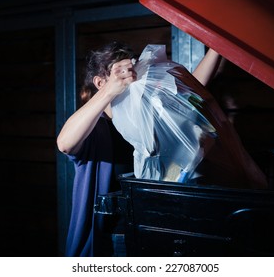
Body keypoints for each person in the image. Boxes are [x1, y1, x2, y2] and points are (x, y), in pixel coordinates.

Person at [56, 41, 220, 256]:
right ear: (99, 82)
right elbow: (65, 144)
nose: (129, 80)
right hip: (116, 236)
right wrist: (110, 91)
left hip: (156, 228)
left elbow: (191, 90)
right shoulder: (95, 128)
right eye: (119, 75)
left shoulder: (148, 119)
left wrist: (218, 48)